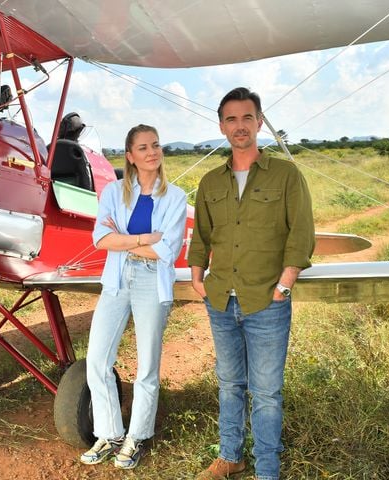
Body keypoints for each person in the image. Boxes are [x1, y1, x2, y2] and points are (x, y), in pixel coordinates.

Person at [189, 87, 315, 480]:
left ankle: (267, 470)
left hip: (267, 301)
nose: (239, 126)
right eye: (231, 119)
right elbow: (202, 235)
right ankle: (230, 456)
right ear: (222, 126)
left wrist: (284, 284)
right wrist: (197, 277)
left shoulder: (286, 174)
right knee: (228, 383)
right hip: (220, 300)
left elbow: (302, 232)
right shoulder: (211, 182)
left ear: (259, 122)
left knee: (266, 393)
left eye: (247, 118)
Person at [80, 124, 187, 469]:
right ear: (130, 156)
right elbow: (101, 239)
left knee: (147, 366)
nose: (152, 152)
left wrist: (124, 239)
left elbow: (167, 249)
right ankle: (109, 433)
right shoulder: (112, 192)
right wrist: (143, 239)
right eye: (143, 147)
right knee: (97, 359)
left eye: (156, 145)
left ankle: (136, 436)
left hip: (151, 283)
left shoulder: (176, 197)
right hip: (115, 280)